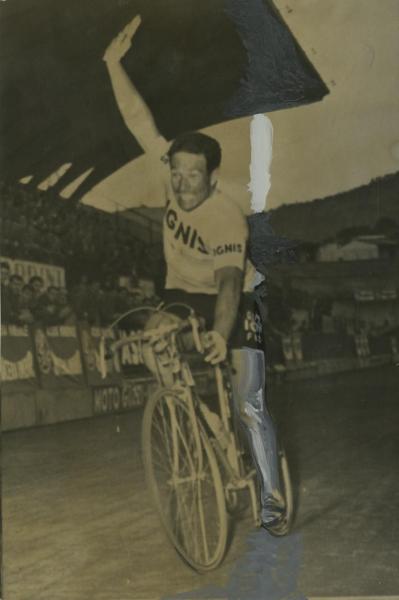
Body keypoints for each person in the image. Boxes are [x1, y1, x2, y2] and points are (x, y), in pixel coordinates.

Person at [103, 16, 286, 533]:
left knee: (249, 402)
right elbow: (140, 121)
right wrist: (112, 65)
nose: (181, 184)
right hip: (183, 290)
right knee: (155, 340)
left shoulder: (226, 216)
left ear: (211, 178)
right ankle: (197, 420)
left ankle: (270, 497)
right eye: (176, 173)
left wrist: (218, 333)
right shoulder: (170, 172)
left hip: (236, 299)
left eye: (192, 177)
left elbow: (228, 285)